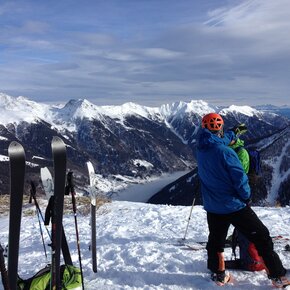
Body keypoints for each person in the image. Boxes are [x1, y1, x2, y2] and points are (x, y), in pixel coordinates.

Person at [196, 112, 288, 288]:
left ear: (203, 128)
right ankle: (278, 275)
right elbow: (240, 179)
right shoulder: (227, 152)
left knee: (216, 240)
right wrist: (246, 197)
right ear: (220, 128)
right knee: (261, 236)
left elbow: (219, 140)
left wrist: (233, 133)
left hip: (213, 206)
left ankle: (218, 273)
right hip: (234, 205)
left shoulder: (202, 148)